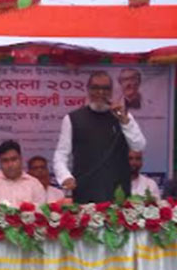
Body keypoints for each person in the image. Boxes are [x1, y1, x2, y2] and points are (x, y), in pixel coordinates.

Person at [53, 71, 146, 203]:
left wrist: (125, 122)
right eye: (95, 88)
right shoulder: (73, 119)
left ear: (111, 91)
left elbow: (139, 146)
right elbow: (61, 154)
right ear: (88, 90)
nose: (100, 93)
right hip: (85, 191)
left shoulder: (123, 116)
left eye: (105, 88)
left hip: (117, 192)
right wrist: (65, 177)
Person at [0, 141, 47, 208]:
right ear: (0, 162)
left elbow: (40, 210)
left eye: (14, 159)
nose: (10, 165)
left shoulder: (34, 184)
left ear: (21, 159)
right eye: (5, 161)